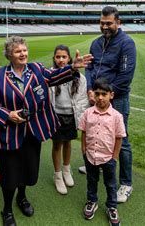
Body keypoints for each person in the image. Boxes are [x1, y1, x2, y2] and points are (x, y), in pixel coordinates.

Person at [0, 36, 93, 226]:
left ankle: (22, 198)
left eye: (24, 50)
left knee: (27, 170)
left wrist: (73, 68)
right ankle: (7, 209)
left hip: (32, 132)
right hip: (8, 134)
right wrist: (8, 114)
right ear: (9, 54)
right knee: (10, 173)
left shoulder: (36, 69)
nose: (23, 54)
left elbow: (53, 77)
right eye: (18, 51)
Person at [84, 6, 136, 204]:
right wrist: (91, 90)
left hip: (118, 99)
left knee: (120, 140)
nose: (105, 26)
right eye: (102, 23)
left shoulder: (126, 44)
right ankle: (96, 160)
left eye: (109, 23)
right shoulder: (96, 43)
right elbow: (90, 68)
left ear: (118, 23)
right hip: (96, 97)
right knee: (94, 131)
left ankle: (126, 183)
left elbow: (125, 76)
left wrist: (105, 96)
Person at [79, 78, 126, 226]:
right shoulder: (88, 113)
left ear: (111, 95)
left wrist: (115, 157)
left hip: (108, 158)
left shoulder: (117, 116)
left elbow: (119, 138)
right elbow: (84, 132)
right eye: (97, 93)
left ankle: (111, 207)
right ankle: (92, 201)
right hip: (90, 155)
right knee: (91, 180)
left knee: (110, 184)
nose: (100, 97)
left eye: (104, 94)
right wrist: (84, 149)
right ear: (93, 94)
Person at [49, 45, 89, 195]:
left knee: (68, 143)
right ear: (54, 58)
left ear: (69, 58)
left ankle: (66, 169)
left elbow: (82, 99)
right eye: (58, 57)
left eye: (64, 57)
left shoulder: (80, 77)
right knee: (57, 144)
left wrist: (81, 118)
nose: (61, 60)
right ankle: (57, 174)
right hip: (56, 115)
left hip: (71, 116)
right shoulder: (50, 74)